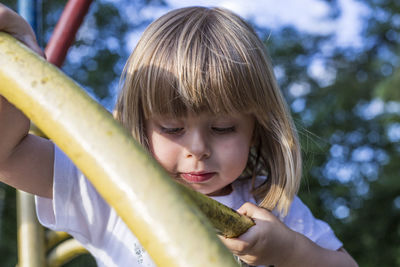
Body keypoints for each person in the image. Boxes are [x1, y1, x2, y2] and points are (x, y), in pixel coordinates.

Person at [0, 4, 358, 267]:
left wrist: (290, 251)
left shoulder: (269, 205)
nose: (197, 149)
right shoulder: (113, 182)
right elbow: (8, 155)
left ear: (256, 128)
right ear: (140, 122)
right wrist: (22, 63)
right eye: (171, 128)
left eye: (223, 128)